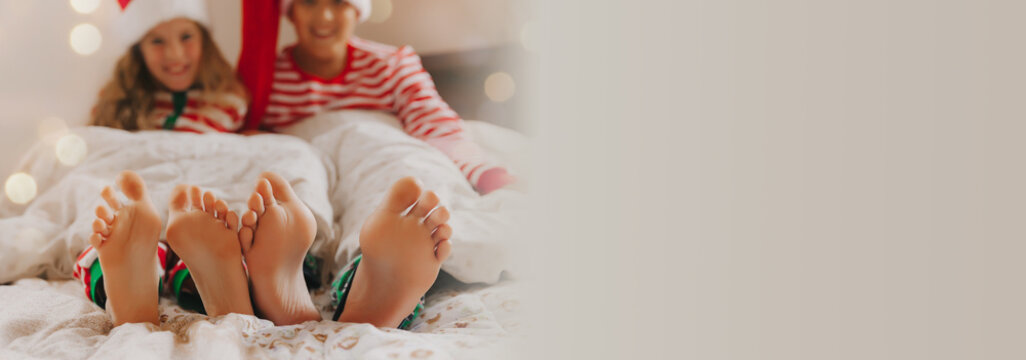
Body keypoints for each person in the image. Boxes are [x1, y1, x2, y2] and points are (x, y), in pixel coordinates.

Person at [238, 0, 516, 195]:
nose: (324, 16)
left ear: (357, 11)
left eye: (338, 2)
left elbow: (437, 126)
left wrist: (487, 175)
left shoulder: (391, 66)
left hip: (381, 183)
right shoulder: (265, 81)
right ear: (290, 12)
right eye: (309, 1)